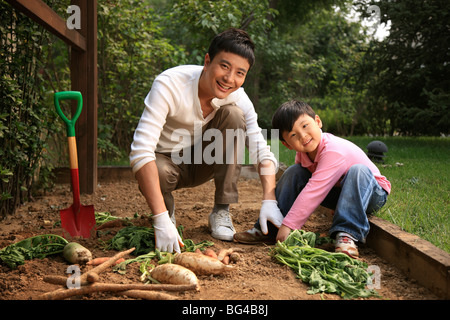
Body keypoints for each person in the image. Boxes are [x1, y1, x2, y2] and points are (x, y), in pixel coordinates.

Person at [130, 28, 280, 253]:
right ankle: (166, 215)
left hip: (203, 160)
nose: (230, 79)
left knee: (233, 115)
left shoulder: (238, 97)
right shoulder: (169, 84)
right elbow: (140, 152)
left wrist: (270, 199)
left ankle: (221, 210)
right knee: (158, 170)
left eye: (240, 73)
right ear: (208, 61)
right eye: (224, 66)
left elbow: (261, 150)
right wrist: (160, 219)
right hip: (167, 162)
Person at [234, 100, 391, 258]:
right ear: (287, 144)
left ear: (317, 121)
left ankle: (346, 234)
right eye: (293, 135)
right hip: (341, 192)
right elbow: (300, 188)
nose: (303, 136)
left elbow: (314, 191)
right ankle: (270, 227)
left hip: (371, 192)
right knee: (294, 171)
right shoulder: (303, 154)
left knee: (358, 170)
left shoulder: (333, 150)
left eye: (305, 126)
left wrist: (290, 226)